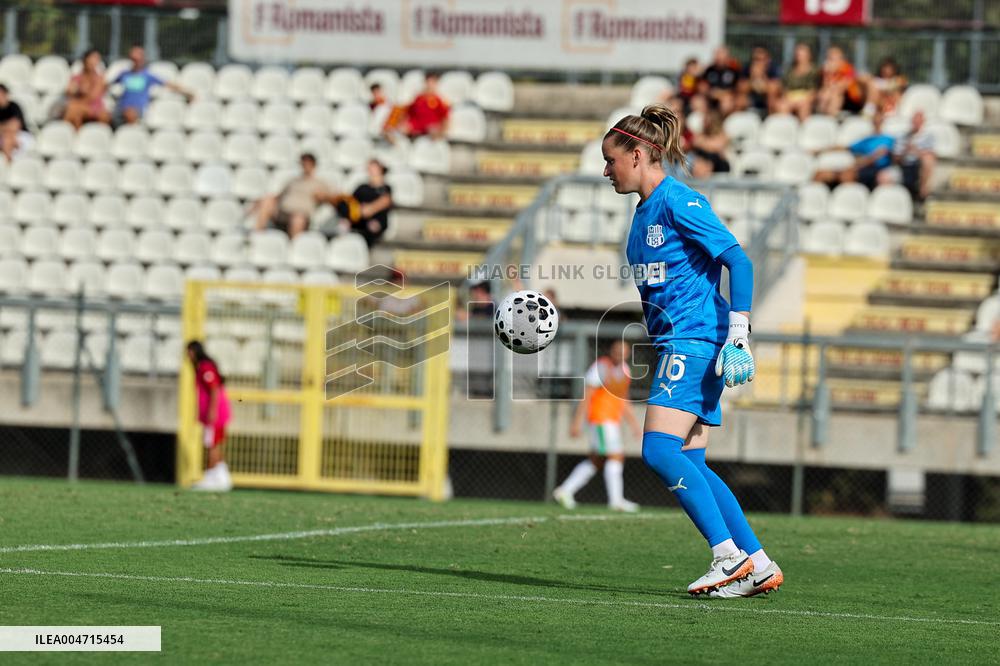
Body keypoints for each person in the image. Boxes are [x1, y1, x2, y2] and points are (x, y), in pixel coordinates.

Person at [600, 103, 782, 597]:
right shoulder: (642, 217)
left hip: (697, 338)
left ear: (638, 154)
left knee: (658, 449)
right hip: (677, 342)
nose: (605, 170)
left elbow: (738, 262)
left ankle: (726, 557)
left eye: (610, 160)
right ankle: (758, 564)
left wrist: (739, 335)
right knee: (693, 463)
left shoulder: (680, 201)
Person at [554, 340, 643, 513]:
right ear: (611, 350)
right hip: (600, 418)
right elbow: (587, 396)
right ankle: (616, 500)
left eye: (623, 351)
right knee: (616, 456)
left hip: (612, 420)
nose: (620, 354)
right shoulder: (600, 367)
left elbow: (624, 400)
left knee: (597, 459)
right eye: (617, 350)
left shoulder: (625, 371)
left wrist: (634, 424)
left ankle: (565, 490)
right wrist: (577, 422)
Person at [187, 341, 233, 492]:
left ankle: (211, 478)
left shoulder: (205, 367)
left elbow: (214, 389)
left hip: (215, 414)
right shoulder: (204, 367)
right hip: (216, 413)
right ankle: (221, 477)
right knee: (215, 444)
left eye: (189, 352)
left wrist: (212, 411)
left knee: (212, 445)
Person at [251, 152, 330, 238]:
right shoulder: (293, 181)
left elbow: (328, 197)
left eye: (308, 163)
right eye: (303, 163)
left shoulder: (319, 183)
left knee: (297, 219)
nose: (305, 166)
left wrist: (321, 197)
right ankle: (257, 236)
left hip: (300, 215)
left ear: (313, 165)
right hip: (283, 213)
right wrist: (261, 201)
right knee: (267, 201)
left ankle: (293, 246)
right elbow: (279, 196)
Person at [318, 159, 393, 247]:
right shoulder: (362, 187)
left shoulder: (386, 188)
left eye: (373, 167)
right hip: (358, 217)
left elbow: (384, 202)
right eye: (369, 167)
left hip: (375, 220)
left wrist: (368, 208)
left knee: (371, 227)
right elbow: (351, 201)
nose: (370, 170)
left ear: (380, 169)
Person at [111, 44, 194, 125]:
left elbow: (168, 84)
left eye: (138, 59)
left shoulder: (148, 76)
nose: (136, 62)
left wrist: (187, 93)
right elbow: (110, 83)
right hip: (121, 107)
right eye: (133, 59)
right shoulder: (124, 74)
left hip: (138, 109)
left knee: (129, 114)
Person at [813, 111, 895, 189]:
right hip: (863, 166)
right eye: (874, 120)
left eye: (878, 120)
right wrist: (821, 150)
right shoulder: (867, 139)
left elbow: (878, 156)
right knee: (821, 174)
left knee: (848, 174)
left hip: (879, 168)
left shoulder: (889, 138)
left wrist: (859, 164)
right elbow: (848, 148)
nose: (876, 122)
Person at [893, 110, 935, 201]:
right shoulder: (902, 136)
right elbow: (896, 159)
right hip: (904, 165)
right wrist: (905, 150)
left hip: (918, 165)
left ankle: (923, 189)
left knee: (928, 160)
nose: (916, 123)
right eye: (914, 120)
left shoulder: (928, 137)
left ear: (923, 122)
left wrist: (915, 150)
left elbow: (930, 155)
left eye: (918, 121)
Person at [63, 48, 110, 129]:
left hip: (95, 108)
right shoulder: (77, 77)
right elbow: (68, 91)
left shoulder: (99, 78)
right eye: (92, 58)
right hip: (81, 107)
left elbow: (93, 96)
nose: (93, 62)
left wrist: (79, 93)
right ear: (85, 60)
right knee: (73, 111)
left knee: (73, 108)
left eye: (96, 59)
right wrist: (79, 91)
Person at [776, 42, 821, 120]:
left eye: (802, 53)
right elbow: (784, 88)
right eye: (798, 53)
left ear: (809, 55)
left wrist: (803, 100)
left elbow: (814, 90)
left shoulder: (814, 71)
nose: (799, 55)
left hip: (807, 99)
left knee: (804, 107)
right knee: (781, 106)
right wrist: (788, 98)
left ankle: (804, 130)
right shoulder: (790, 70)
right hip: (790, 97)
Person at [816, 45, 865, 116]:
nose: (829, 61)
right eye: (828, 58)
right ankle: (822, 117)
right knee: (823, 94)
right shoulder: (826, 71)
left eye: (832, 59)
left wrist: (831, 84)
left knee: (834, 95)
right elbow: (824, 85)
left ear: (840, 59)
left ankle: (830, 118)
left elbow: (843, 86)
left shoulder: (847, 68)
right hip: (833, 94)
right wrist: (828, 74)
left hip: (851, 99)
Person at [738, 46, 781, 116]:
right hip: (751, 98)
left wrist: (763, 76)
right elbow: (741, 88)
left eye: (761, 59)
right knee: (740, 101)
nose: (758, 62)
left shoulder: (772, 69)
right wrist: (752, 78)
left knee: (772, 99)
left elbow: (775, 89)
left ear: (767, 59)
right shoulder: (747, 68)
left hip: (766, 98)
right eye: (756, 59)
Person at [699, 46, 742, 116]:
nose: (719, 58)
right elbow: (702, 87)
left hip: (728, 97)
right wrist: (709, 92)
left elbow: (738, 87)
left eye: (722, 55)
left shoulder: (734, 69)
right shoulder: (709, 70)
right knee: (698, 101)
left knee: (727, 102)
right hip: (710, 96)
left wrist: (721, 94)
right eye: (717, 55)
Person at [689, 106, 730, 179]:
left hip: (719, 164)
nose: (704, 120)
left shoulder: (721, 132)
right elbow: (696, 142)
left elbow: (719, 145)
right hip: (703, 163)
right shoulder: (700, 133)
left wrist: (705, 143)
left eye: (707, 118)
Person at [0, 83, 31, 163]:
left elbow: (14, 127)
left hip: (21, 135)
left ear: (5, 94)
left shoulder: (14, 107)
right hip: (5, 136)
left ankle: (8, 165)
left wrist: (3, 127)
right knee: (6, 138)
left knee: (7, 139)